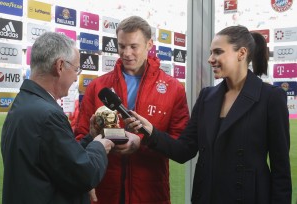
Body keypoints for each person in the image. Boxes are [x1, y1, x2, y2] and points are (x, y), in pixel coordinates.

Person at [125, 25, 292, 204]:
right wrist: (151, 132)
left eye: (218, 52)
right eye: (211, 52)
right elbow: (184, 150)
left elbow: (281, 170)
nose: (210, 59)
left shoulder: (271, 98)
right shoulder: (207, 97)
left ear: (241, 53)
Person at [74, 16, 190, 204]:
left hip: (150, 194)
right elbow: (80, 139)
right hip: (105, 193)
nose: (126, 53)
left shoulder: (173, 89)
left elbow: (180, 146)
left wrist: (144, 140)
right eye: (121, 46)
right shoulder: (97, 87)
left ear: (149, 44)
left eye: (133, 46)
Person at [1, 32, 115, 204]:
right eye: (76, 69)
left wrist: (90, 138)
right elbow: (84, 175)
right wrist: (99, 145)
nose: (77, 77)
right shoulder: (47, 114)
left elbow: (58, 158)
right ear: (60, 66)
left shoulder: (25, 103)